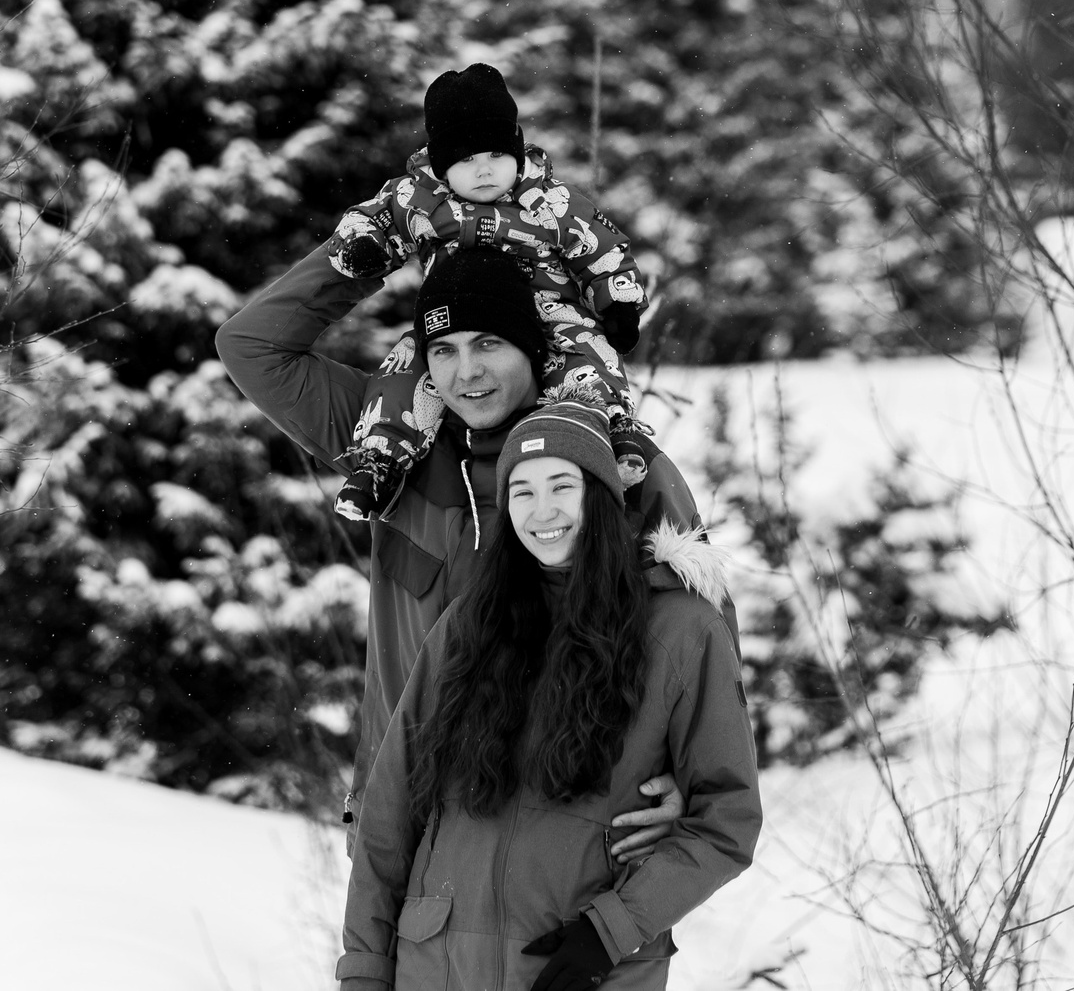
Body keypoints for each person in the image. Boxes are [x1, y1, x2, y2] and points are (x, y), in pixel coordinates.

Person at [215, 236, 707, 852]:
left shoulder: (618, 464)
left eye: (488, 344)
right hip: (410, 824)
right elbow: (249, 345)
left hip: (577, 831)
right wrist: (384, 232)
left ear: (533, 347)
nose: (465, 373)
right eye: (442, 350)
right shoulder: (389, 445)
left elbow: (701, 632)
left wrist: (692, 779)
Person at [338, 402, 759, 991]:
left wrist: (613, 928)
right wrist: (362, 971)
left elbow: (728, 817)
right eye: (522, 492)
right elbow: (391, 810)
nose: (543, 512)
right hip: (434, 967)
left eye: (563, 486)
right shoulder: (468, 624)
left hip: (587, 972)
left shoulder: (682, 631)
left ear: (602, 498)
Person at [318, 63, 653, 519]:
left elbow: (602, 249)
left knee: (586, 353)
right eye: (465, 159)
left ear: (517, 150)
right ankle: (380, 460)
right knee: (408, 369)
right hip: (453, 316)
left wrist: (619, 302)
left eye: (496, 155)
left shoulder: (551, 200)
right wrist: (361, 247)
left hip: (550, 308)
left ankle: (612, 431)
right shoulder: (418, 198)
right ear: (441, 164)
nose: (483, 171)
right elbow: (368, 218)